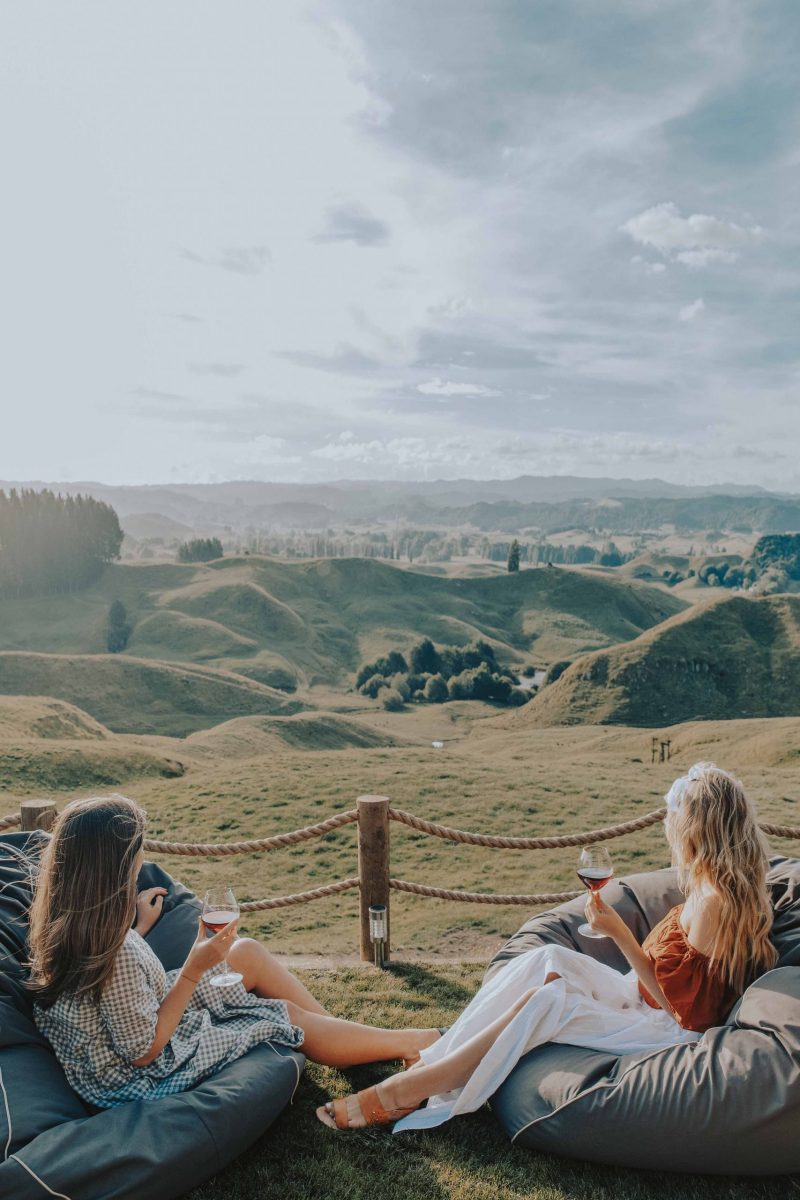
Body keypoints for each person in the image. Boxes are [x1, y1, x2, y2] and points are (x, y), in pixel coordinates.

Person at [318, 763, 777, 1131]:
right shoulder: (716, 887)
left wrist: (619, 933)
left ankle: (409, 1089)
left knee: (549, 999)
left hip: (662, 1026)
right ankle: (438, 1054)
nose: (670, 834)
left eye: (676, 824)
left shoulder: (715, 903)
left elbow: (681, 1011)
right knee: (547, 957)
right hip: (636, 997)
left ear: (698, 831)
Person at [28, 795, 439, 1110]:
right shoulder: (117, 956)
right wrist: (193, 969)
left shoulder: (66, 922)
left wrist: (139, 929)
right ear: (115, 867)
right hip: (145, 1073)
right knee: (281, 1016)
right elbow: (142, 1052)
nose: (143, 860)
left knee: (245, 952)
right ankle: (413, 1042)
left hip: (141, 1019)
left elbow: (113, 989)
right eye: (138, 852)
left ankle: (344, 1040)